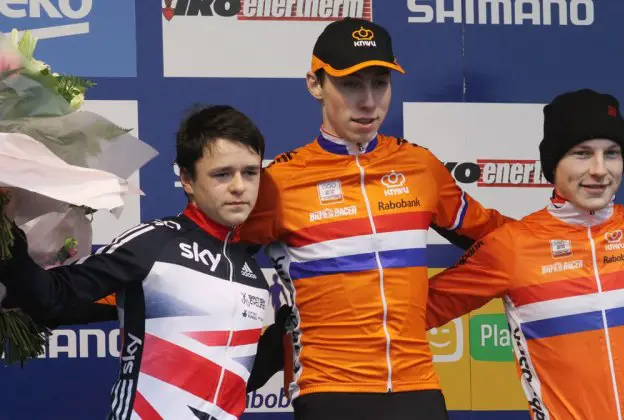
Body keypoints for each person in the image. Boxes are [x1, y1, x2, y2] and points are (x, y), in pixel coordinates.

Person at [238, 17, 514, 420]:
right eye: (351, 85)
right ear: (315, 84)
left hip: (417, 386)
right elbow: (204, 261)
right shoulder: (279, 182)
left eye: (379, 83)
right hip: (328, 389)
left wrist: (432, 303)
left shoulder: (420, 166)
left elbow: (503, 239)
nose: (368, 101)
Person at [424, 88, 624, 420]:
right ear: (553, 163)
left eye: (611, 153)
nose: (599, 170)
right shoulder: (512, 246)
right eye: (582, 153)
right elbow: (408, 315)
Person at [0, 105, 289, 419]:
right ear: (187, 179)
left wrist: (280, 341)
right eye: (222, 174)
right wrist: (6, 230)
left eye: (250, 172)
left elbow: (234, 382)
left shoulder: (252, 276)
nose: (239, 186)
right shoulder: (154, 243)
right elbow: (52, 298)